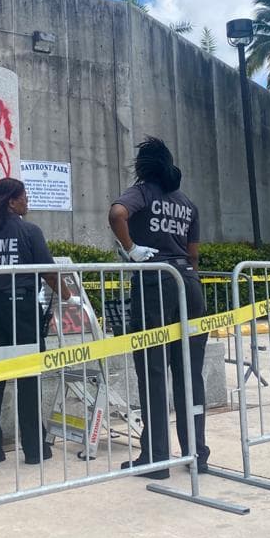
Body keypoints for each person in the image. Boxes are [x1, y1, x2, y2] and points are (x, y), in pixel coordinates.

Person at [108, 137, 209, 479]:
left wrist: (133, 248)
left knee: (152, 371)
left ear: (143, 166)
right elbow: (194, 254)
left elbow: (117, 213)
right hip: (189, 285)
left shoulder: (143, 193)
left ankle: (156, 458)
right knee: (189, 372)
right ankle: (197, 453)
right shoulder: (187, 203)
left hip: (154, 284)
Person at [0, 178, 72, 467]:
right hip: (23, 310)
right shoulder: (30, 231)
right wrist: (69, 297)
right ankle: (35, 451)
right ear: (11, 201)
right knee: (28, 381)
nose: (28, 202)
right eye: (24, 197)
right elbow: (49, 273)